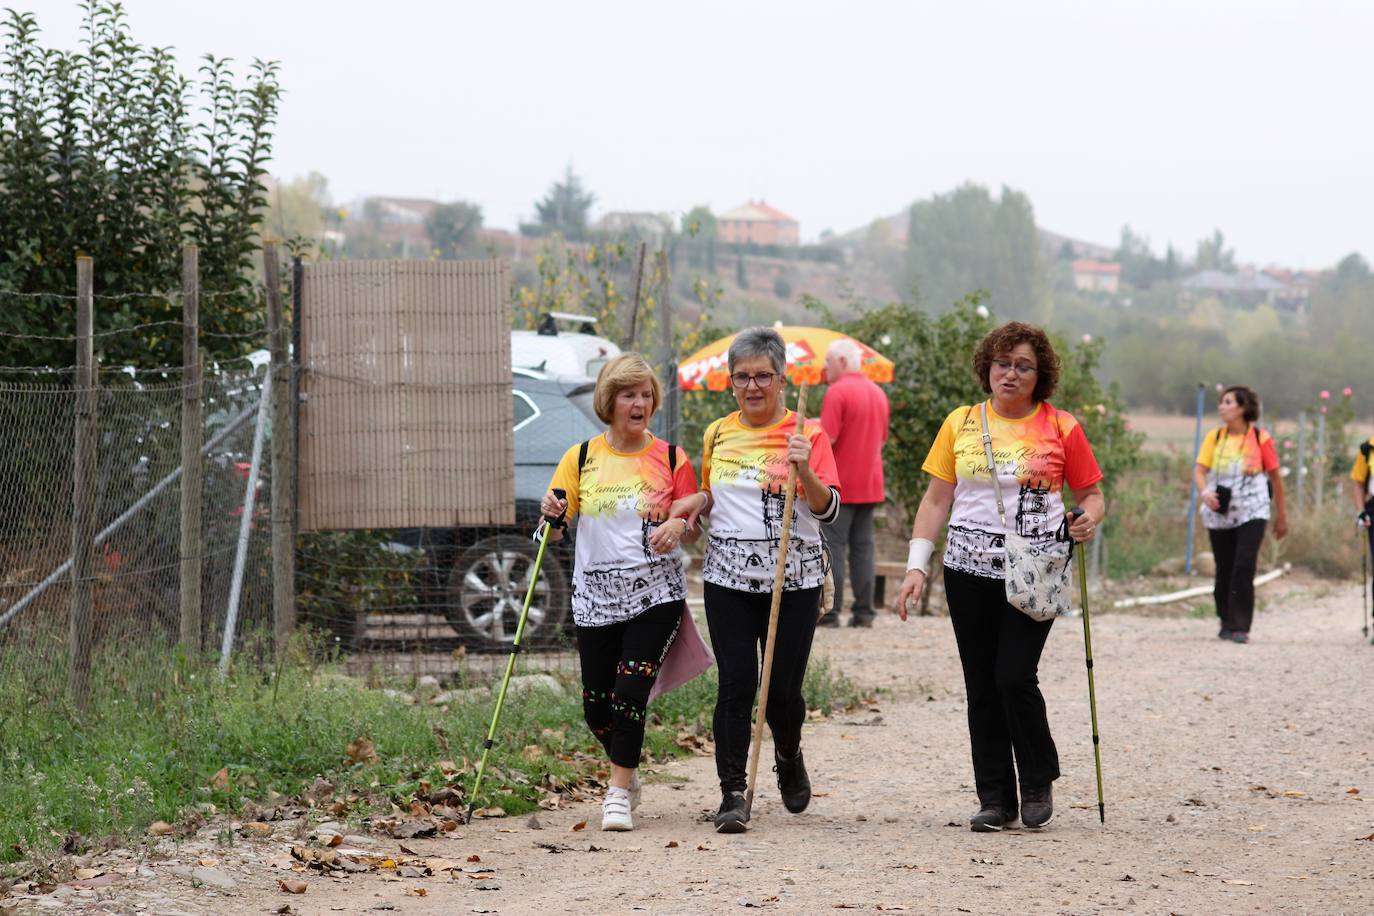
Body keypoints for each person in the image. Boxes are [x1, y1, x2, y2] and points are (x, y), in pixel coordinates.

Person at [894, 321, 1104, 832]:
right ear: (987, 368)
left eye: (1023, 366)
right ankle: (995, 799)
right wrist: (916, 566)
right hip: (966, 569)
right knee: (981, 684)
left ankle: (1036, 779)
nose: (1011, 373)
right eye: (1003, 363)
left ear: (1041, 375)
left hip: (1035, 570)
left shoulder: (1062, 426)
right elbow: (936, 498)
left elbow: (1093, 493)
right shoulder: (961, 423)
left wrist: (1088, 518)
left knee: (1013, 674)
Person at [670, 327, 841, 833]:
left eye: (762, 376)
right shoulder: (719, 434)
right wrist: (696, 505)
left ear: (782, 378)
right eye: (742, 377)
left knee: (781, 694)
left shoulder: (808, 434)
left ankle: (787, 752)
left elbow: (828, 509)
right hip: (728, 579)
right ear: (730, 383)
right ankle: (732, 794)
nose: (752, 386)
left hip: (795, 579)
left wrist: (805, 469)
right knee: (737, 684)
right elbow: (711, 493)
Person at [541, 353, 700, 832]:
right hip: (594, 598)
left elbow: (691, 525)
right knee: (597, 704)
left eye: (646, 394)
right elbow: (555, 528)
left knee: (631, 690)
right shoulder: (581, 458)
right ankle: (626, 766)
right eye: (629, 394)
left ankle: (616, 793)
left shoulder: (673, 459)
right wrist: (550, 516)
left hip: (656, 595)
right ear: (609, 402)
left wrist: (677, 523)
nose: (640, 403)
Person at [1192, 385, 1288, 645]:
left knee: (1243, 565)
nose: (1222, 407)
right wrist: (1205, 493)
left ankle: (1241, 625)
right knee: (1223, 567)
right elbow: (1199, 471)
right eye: (1221, 402)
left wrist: (1282, 516)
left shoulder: (1260, 438)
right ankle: (1225, 619)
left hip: (1253, 510)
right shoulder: (1215, 437)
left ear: (1243, 408)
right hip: (1220, 510)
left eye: (1228, 402)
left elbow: (1276, 479)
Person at [818, 338, 890, 628]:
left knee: (833, 546)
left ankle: (831, 612)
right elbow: (882, 440)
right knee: (863, 548)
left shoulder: (837, 393)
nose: (824, 368)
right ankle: (864, 612)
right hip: (871, 484)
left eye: (828, 362)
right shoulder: (878, 393)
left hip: (841, 484)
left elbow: (828, 439)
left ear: (843, 362)